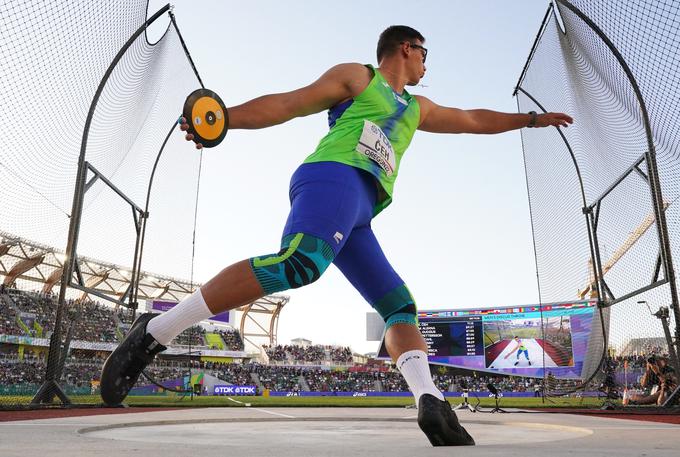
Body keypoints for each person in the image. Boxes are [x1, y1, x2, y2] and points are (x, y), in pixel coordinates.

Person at [100, 25, 572, 446]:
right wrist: (223, 119)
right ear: (406, 48)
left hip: (363, 209)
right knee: (300, 265)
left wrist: (530, 120)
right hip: (333, 178)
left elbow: (473, 120)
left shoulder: (417, 108)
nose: (427, 65)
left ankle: (430, 400)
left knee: (399, 307)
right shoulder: (358, 77)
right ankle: (156, 331)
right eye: (425, 54)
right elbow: (289, 104)